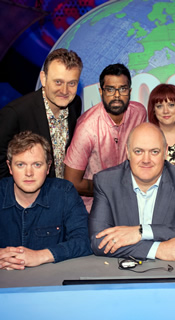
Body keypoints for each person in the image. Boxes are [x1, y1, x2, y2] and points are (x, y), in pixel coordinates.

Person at [89, 123, 175, 261]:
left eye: (154, 152)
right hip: (122, 274)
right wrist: (157, 249)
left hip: (171, 274)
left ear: (165, 152)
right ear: (128, 152)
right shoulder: (106, 182)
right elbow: (98, 241)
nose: (146, 160)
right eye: (138, 151)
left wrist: (143, 231)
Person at [0, 131, 92, 270]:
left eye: (37, 164)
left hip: (52, 282)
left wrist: (40, 256)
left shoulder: (64, 193)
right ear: (9, 167)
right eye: (20, 165)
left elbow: (85, 240)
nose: (29, 173)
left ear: (48, 167)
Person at [64, 63, 146, 212]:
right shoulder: (87, 128)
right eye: (110, 89)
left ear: (130, 91)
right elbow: (72, 182)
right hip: (94, 206)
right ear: (101, 92)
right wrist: (112, 187)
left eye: (122, 89)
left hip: (131, 202)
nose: (116, 95)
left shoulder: (139, 113)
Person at [0, 48, 83, 179]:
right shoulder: (14, 114)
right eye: (58, 82)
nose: (64, 90)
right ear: (43, 79)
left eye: (72, 83)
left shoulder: (75, 104)